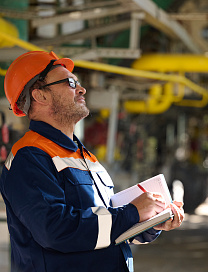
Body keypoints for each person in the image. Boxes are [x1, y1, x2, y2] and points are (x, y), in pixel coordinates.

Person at [0, 51, 184, 272]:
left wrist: (150, 221)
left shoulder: (84, 156)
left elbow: (105, 226)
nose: (81, 89)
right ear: (41, 96)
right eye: (70, 82)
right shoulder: (29, 157)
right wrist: (132, 212)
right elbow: (56, 230)